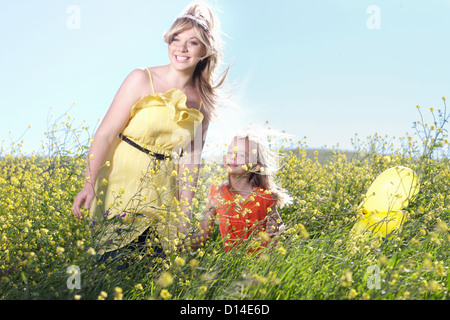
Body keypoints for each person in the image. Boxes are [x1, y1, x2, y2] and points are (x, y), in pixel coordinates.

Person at [71, 1, 229, 264]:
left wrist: (185, 214)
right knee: (114, 263)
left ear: (205, 50)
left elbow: (191, 161)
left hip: (163, 192)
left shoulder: (203, 100)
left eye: (192, 42)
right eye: (176, 39)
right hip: (121, 185)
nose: (180, 47)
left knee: (152, 270)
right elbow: (106, 134)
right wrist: (89, 183)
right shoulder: (141, 79)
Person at [187, 126, 290, 253]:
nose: (233, 156)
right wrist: (179, 244)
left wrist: (276, 228)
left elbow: (280, 226)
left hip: (262, 263)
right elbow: (202, 234)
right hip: (232, 265)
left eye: (241, 154)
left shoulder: (265, 197)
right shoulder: (218, 193)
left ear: (256, 166)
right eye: (230, 152)